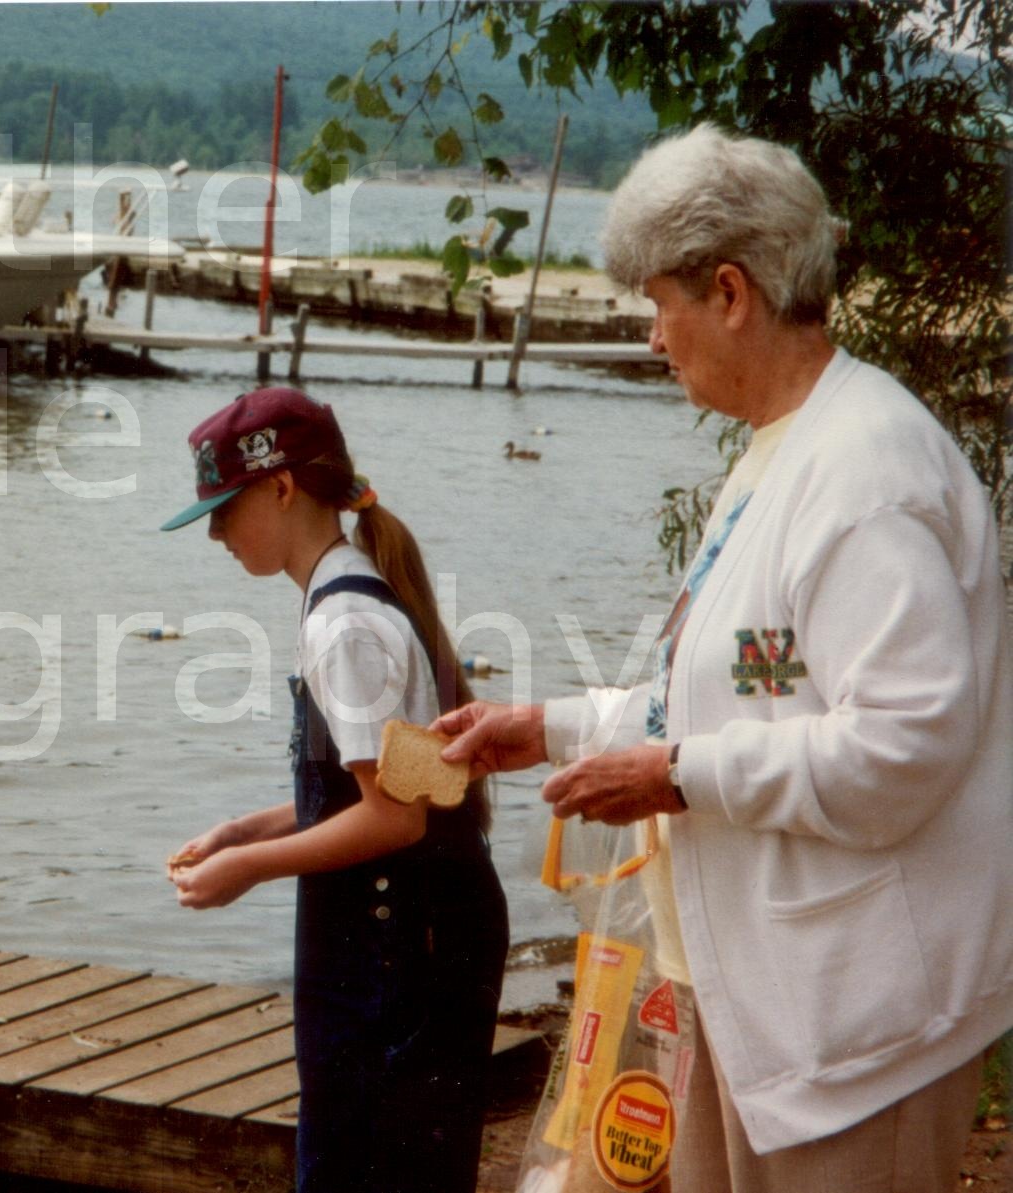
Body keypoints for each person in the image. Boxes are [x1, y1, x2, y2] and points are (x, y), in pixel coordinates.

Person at [431, 124, 1013, 1192]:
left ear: (732, 292)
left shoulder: (867, 475)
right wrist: (554, 728)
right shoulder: (780, 451)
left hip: (856, 1024)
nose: (656, 337)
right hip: (748, 996)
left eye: (662, 304)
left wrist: (674, 775)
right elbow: (735, 692)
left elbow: (909, 743)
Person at [161, 386, 508, 1193]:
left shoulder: (341, 624)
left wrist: (250, 869)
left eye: (223, 509)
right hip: (426, 934)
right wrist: (244, 831)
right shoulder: (347, 592)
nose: (214, 533)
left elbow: (395, 820)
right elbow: (394, 790)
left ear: (282, 486)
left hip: (396, 955)